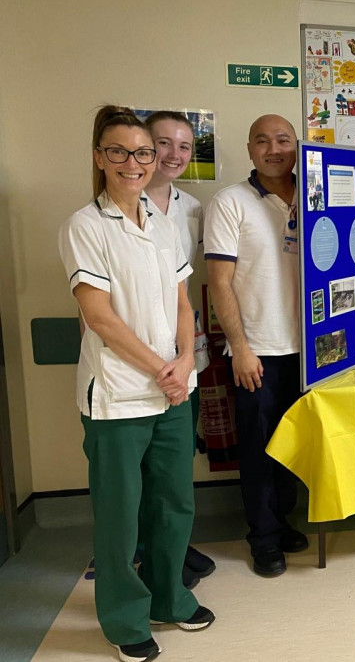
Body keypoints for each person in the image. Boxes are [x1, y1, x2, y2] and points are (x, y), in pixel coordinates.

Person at [58, 105, 214, 662]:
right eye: (119, 152)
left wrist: (182, 362)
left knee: (174, 504)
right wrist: (161, 367)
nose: (134, 163)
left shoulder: (167, 222)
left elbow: (182, 301)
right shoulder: (84, 226)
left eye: (143, 153)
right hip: (119, 396)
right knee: (122, 517)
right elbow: (99, 317)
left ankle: (169, 599)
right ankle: (124, 620)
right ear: (101, 158)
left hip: (174, 387)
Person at [204, 114, 306, 578]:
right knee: (259, 448)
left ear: (296, 146)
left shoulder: (316, 199)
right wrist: (240, 348)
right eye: (262, 141)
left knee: (293, 445)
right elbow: (219, 282)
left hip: (311, 351)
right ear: (249, 150)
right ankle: (263, 538)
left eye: (283, 140)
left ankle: (283, 522)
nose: (274, 149)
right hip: (258, 349)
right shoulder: (230, 202)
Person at [143, 110, 215, 589]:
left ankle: (172, 545)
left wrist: (186, 353)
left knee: (176, 457)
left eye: (184, 146)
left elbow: (190, 288)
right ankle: (145, 549)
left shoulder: (192, 208)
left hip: (186, 350)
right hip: (138, 354)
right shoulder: (112, 207)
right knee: (140, 462)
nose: (174, 154)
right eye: (163, 143)